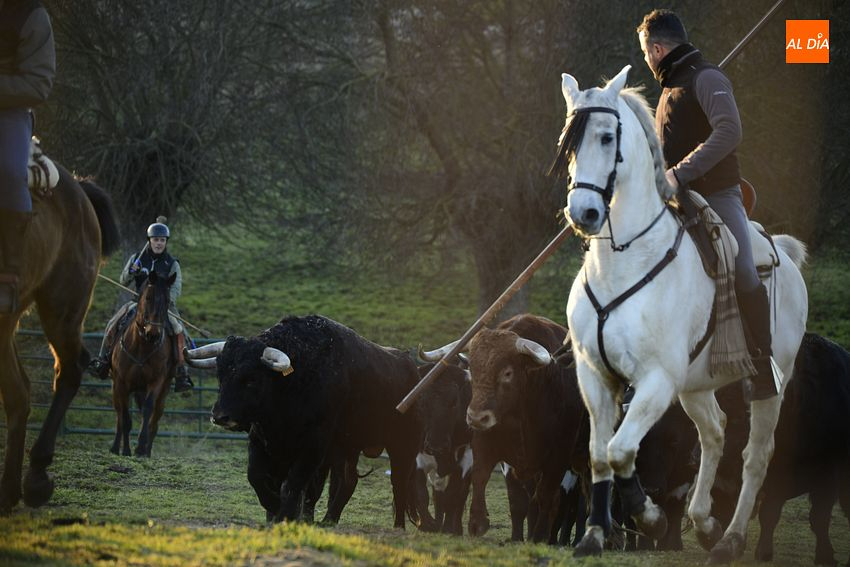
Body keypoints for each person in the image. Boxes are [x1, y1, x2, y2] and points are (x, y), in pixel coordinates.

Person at [637, 9, 778, 400]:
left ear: (658, 49)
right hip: (674, 199)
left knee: (743, 269)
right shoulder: (667, 92)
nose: (647, 62)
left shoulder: (708, 78)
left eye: (647, 53)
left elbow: (730, 131)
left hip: (717, 194)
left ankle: (763, 365)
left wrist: (679, 173)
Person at [89, 218, 194, 393]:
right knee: (112, 323)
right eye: (155, 240)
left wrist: (165, 301)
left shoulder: (172, 263)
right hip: (137, 303)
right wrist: (131, 272)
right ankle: (102, 361)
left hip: (164, 306)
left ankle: (182, 373)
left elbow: (176, 287)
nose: (159, 243)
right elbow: (123, 280)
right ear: (149, 240)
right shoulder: (137, 258)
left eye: (162, 240)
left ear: (166, 242)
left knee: (179, 330)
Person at [0, 0, 55, 313]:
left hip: (8, 112)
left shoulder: (32, 15)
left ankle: (8, 273)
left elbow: (38, 83)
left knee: (8, 171)